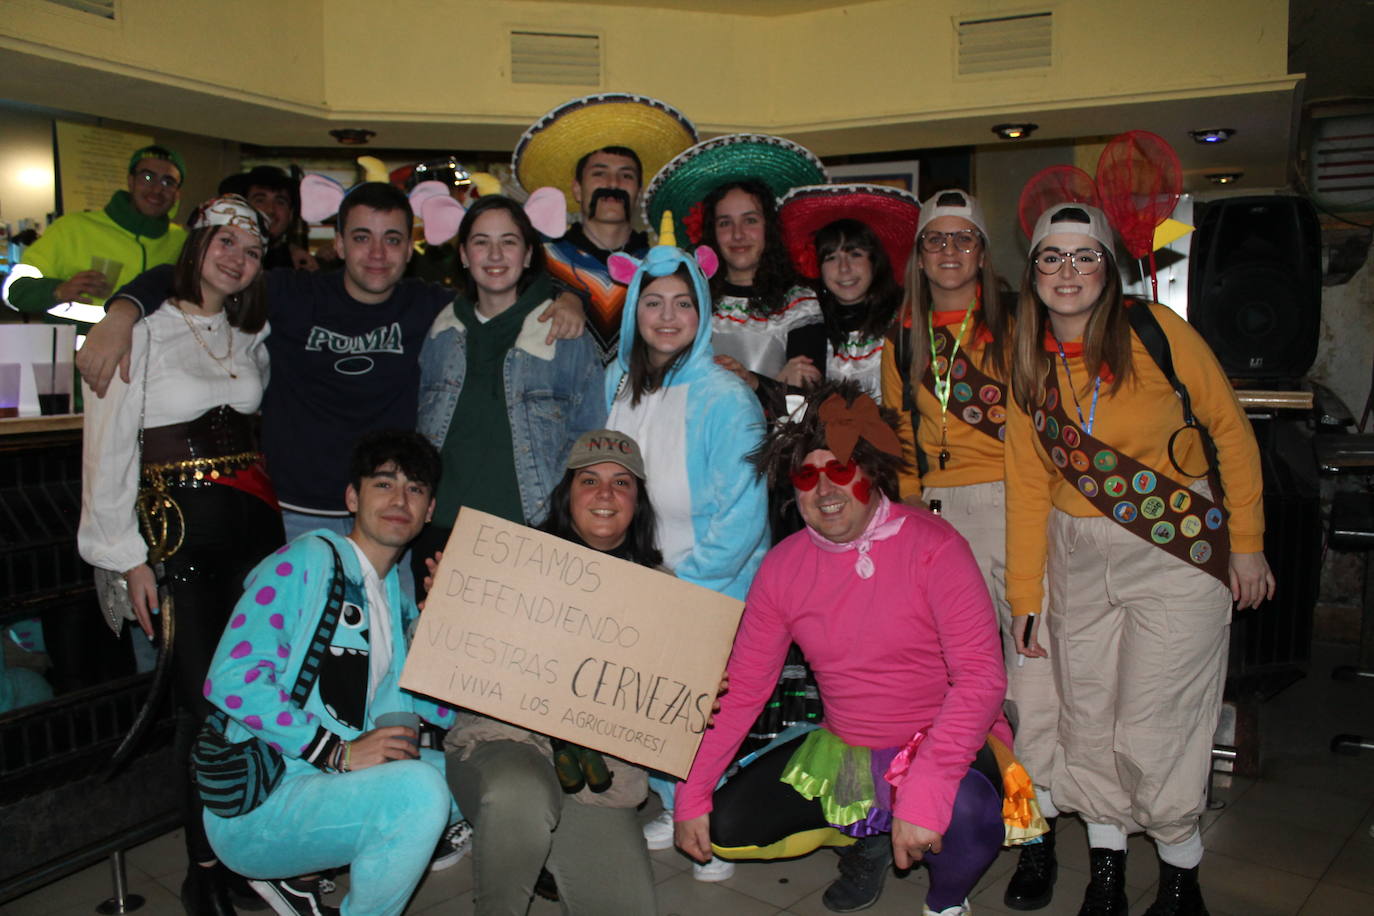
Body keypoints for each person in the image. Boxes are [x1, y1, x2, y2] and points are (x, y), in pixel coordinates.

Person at [675, 382, 1038, 916]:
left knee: (967, 814)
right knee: (725, 827)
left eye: (841, 470)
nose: (825, 489)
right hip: (849, 746)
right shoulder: (782, 567)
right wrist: (692, 791)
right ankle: (868, 831)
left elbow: (981, 678)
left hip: (941, 741)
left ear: (871, 473)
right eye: (807, 475)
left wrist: (928, 788)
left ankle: (945, 902)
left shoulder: (935, 546)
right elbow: (748, 686)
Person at [1004, 203, 1275, 916]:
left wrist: (1246, 543)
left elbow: (1232, 432)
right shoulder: (1026, 356)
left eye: (1084, 256)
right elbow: (1028, 487)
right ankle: (1108, 870)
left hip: (1176, 553)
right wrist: (1026, 596)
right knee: (1086, 718)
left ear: (1111, 265)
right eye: (1051, 258)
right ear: (1032, 274)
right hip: (1075, 559)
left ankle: (1181, 871)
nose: (1069, 272)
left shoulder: (1159, 333)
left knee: (1156, 722)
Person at [75, 181, 585, 553]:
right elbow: (190, 271)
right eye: (361, 237)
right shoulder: (288, 295)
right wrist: (123, 311)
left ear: (411, 249)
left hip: (390, 519)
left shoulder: (433, 308)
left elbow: (500, 288)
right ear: (338, 244)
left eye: (392, 239)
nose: (377, 253)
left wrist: (565, 298)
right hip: (291, 517)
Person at [76, 194, 283, 915]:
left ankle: (249, 848)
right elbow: (106, 456)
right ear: (194, 246)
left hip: (257, 541)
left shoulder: (247, 334)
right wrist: (127, 559)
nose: (237, 257)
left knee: (255, 702)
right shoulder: (137, 332)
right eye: (223, 241)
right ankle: (205, 870)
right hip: (181, 547)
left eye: (251, 250)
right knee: (202, 708)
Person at [881, 190, 1060, 910]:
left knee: (1026, 689)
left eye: (963, 240)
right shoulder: (902, 334)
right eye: (935, 241)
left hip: (1012, 506)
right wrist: (902, 527)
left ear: (984, 254)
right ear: (919, 257)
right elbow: (897, 439)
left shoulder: (1017, 322)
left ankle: (1033, 837)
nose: (949, 252)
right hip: (934, 516)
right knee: (954, 687)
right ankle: (965, 812)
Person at [201, 430, 463, 916]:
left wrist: (445, 624)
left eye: (416, 489)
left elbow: (429, 708)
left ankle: (304, 879)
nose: (399, 500)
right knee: (422, 794)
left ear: (429, 510)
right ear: (351, 497)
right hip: (262, 803)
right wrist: (337, 751)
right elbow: (232, 680)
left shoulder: (391, 596)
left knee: (473, 776)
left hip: (326, 789)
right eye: (383, 484)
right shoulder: (307, 560)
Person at [603, 214, 771, 881]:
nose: (667, 316)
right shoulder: (614, 387)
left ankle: (707, 818)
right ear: (634, 310)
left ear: (701, 310)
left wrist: (684, 588)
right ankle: (678, 804)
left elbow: (743, 517)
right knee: (652, 705)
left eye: (682, 302)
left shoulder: (726, 398)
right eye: (653, 302)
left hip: (710, 585)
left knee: (699, 710)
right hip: (639, 582)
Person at [441, 428, 660, 915]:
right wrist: (446, 607)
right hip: (504, 745)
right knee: (520, 795)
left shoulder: (664, 592)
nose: (605, 493)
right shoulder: (510, 558)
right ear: (567, 494)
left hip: (597, 780)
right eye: (589, 480)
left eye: (622, 482)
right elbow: (432, 651)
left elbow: (663, 707)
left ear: (638, 501)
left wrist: (693, 702)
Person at [411, 192, 605, 590]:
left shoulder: (566, 333)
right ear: (464, 255)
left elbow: (591, 441)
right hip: (442, 533)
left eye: (509, 241)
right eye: (481, 242)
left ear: (529, 254)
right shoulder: (440, 333)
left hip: (535, 533)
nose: (495, 254)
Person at [642, 134, 830, 413]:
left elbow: (805, 405)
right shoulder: (691, 298)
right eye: (725, 223)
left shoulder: (800, 302)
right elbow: (664, 380)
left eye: (750, 220)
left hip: (773, 452)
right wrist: (773, 383)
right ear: (711, 233)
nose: (738, 234)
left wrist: (754, 381)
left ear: (770, 228)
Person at [512, 92, 698, 364]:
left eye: (626, 175)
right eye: (599, 173)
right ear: (577, 188)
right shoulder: (538, 261)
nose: (613, 183)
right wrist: (565, 294)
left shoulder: (662, 267)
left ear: (639, 191)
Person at [4, 145, 187, 316]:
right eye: (147, 177)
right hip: (74, 348)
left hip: (151, 350)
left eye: (168, 182)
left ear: (177, 193)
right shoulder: (71, 228)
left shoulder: (183, 242)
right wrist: (58, 290)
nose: (156, 189)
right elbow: (15, 291)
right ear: (130, 181)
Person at [779, 184, 919, 401]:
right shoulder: (806, 325)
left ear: (874, 261)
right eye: (831, 258)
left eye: (855, 254)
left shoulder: (906, 321)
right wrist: (784, 383)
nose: (844, 268)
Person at [218, 165, 314, 271]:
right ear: (243, 208)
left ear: (290, 215)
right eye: (260, 200)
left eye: (280, 202)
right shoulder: (219, 258)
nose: (270, 210)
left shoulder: (303, 267)